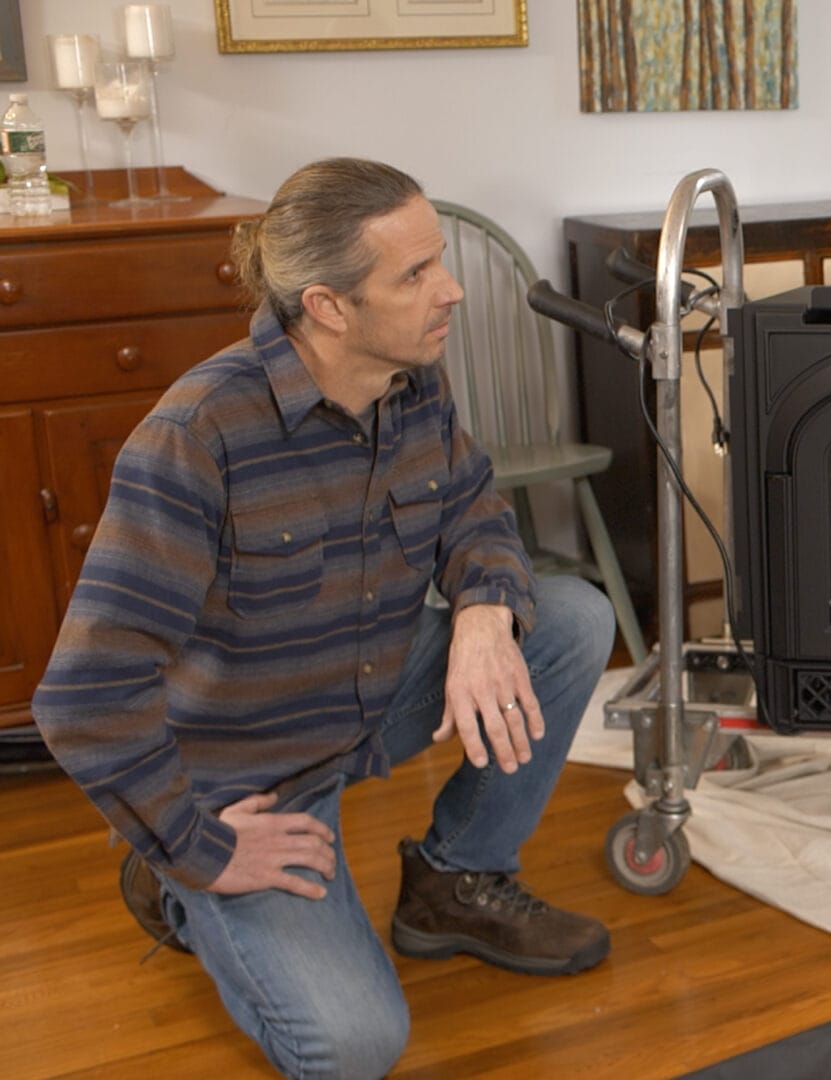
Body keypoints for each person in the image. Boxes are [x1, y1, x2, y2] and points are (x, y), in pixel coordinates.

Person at [32, 158, 618, 1078]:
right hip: (251, 777)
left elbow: (475, 513)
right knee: (354, 1047)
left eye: (441, 262)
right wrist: (201, 845)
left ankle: (453, 880)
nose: (451, 290)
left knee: (570, 620)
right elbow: (83, 696)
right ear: (329, 306)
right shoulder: (196, 438)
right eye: (416, 273)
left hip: (370, 690)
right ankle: (168, 882)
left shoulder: (411, 381)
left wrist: (478, 617)